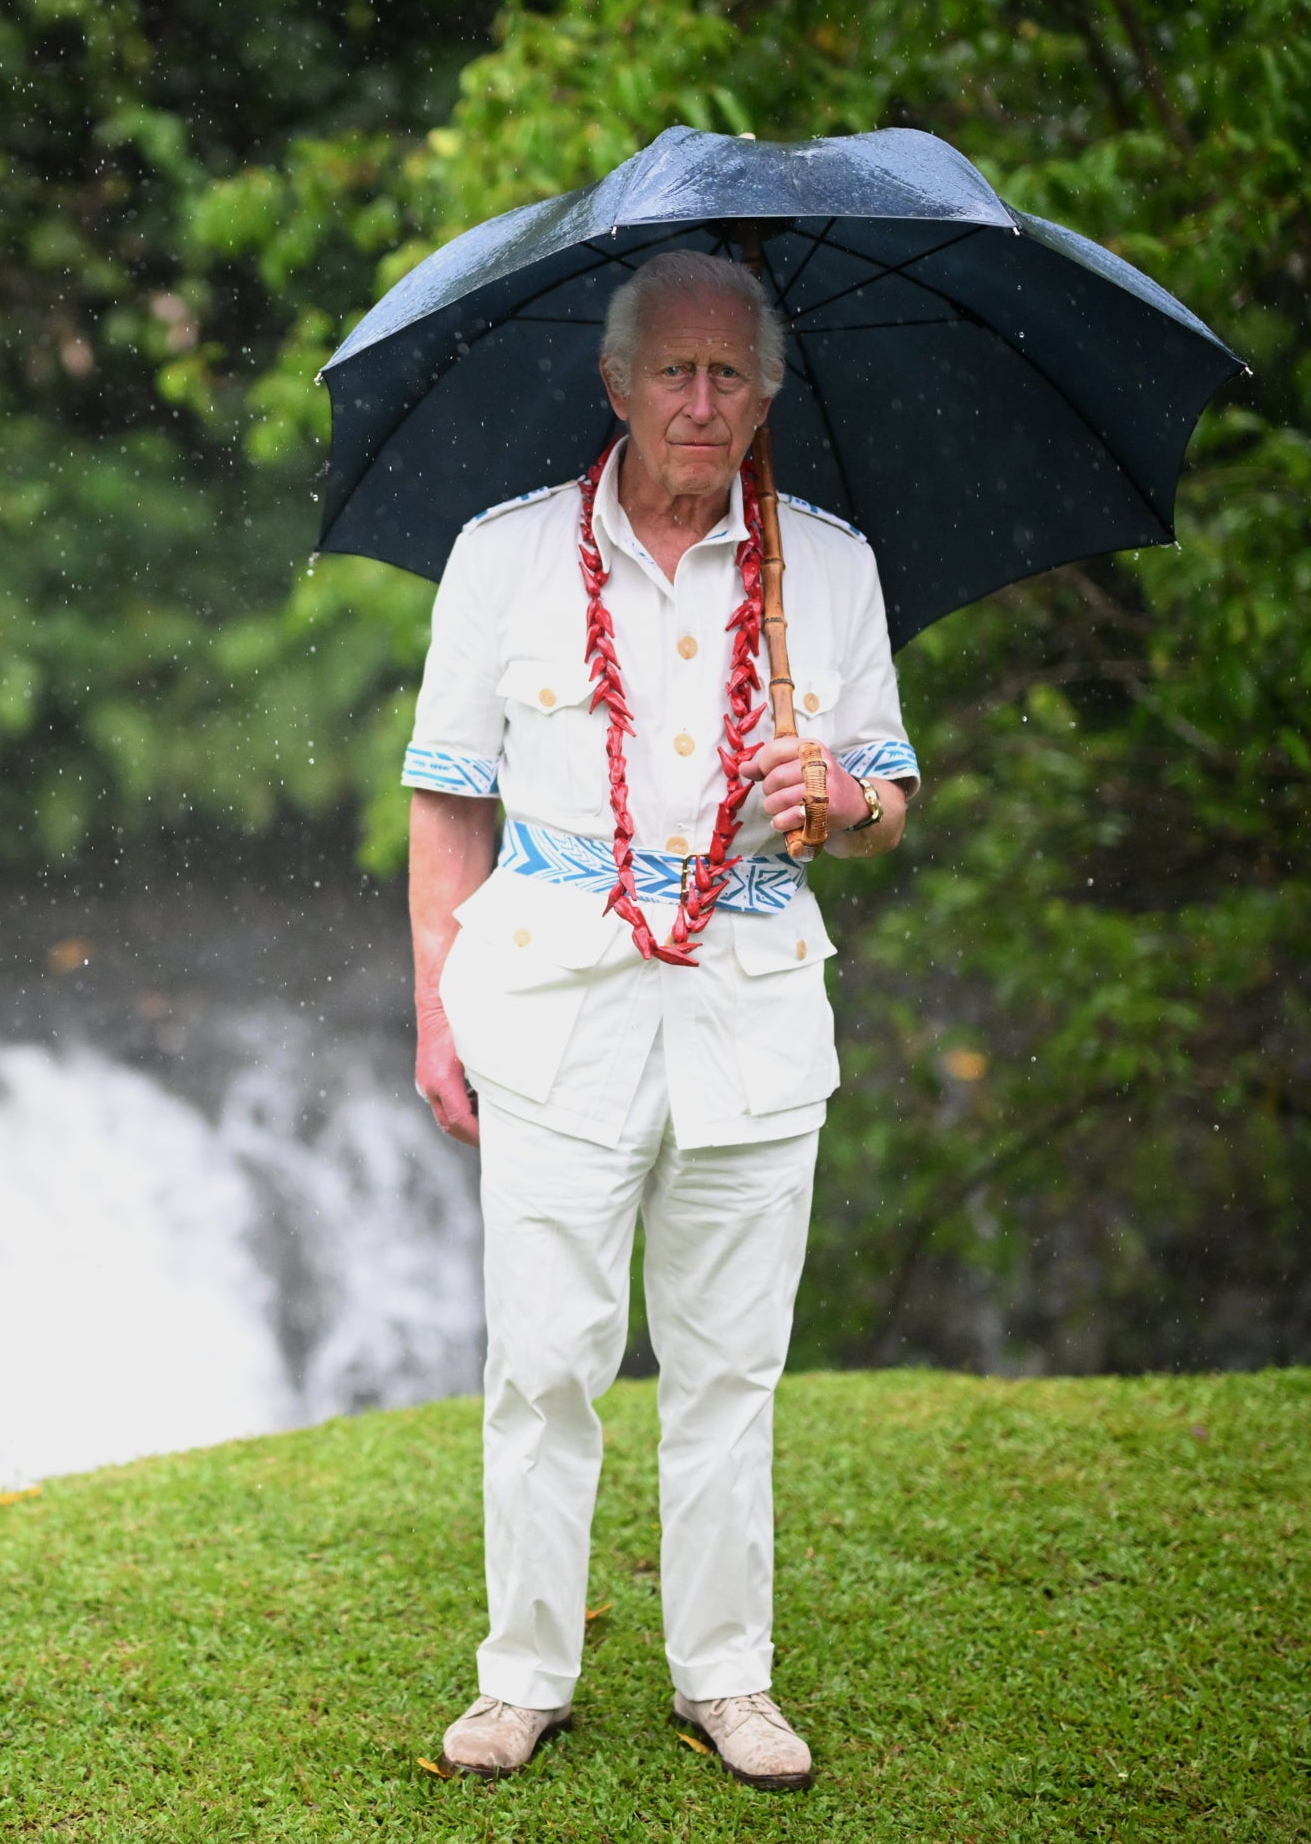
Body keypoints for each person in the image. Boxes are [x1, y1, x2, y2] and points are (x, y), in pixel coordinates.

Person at [402, 248, 918, 1793]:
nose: (703, 400)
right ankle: (523, 1677)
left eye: (732, 374)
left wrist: (845, 799)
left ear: (768, 395)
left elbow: (889, 794)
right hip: (552, 1005)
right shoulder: (501, 557)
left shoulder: (830, 566)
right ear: (615, 384)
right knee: (545, 1358)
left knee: (729, 1364)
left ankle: (727, 1678)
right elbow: (446, 800)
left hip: (753, 1012)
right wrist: (433, 1011)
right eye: (674, 371)